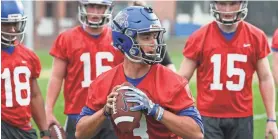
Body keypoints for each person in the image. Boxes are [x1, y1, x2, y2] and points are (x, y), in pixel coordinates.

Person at [75, 6, 204, 139]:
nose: (154, 43)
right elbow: (80, 133)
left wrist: (155, 110)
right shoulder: (103, 82)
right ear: (124, 41)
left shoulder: (173, 81)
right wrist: (104, 112)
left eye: (155, 36)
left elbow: (196, 133)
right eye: (146, 37)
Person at [178, 1, 278, 139]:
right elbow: (181, 80)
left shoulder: (256, 36)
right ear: (214, 4)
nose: (227, 9)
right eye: (222, 4)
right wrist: (185, 109)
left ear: (242, 3)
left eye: (233, 3)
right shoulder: (199, 37)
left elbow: (266, 78)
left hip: (242, 117)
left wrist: (271, 119)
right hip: (208, 117)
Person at [45, 0, 123, 138]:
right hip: (78, 113)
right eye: (91, 6)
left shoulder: (118, 38)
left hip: (110, 113)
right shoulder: (67, 38)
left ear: (107, 9)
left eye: (100, 7)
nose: (95, 11)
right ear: (83, 7)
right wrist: (48, 109)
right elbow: (56, 77)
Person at [1, 1, 50, 139]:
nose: (12, 30)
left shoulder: (28, 55)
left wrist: (44, 131)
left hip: (23, 127)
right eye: (6, 24)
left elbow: (34, 95)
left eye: (15, 23)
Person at [130, 0, 177, 72]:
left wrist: (175, 80)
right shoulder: (126, 39)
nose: (153, 42)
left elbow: (168, 64)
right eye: (146, 38)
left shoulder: (156, 39)